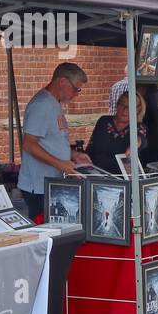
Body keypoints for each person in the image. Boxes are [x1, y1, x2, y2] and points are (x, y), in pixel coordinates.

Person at [18, 63, 93, 218]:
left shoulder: (54, 103)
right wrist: (60, 164)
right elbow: (29, 144)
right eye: (75, 89)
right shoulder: (41, 105)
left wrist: (72, 154)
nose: (77, 94)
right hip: (38, 186)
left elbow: (51, 140)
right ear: (62, 82)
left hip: (49, 182)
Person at [87, 91, 149, 174]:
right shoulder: (104, 121)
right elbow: (90, 148)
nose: (125, 110)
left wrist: (134, 145)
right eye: (122, 104)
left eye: (130, 106)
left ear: (138, 110)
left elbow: (141, 139)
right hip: (95, 174)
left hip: (121, 180)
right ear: (117, 105)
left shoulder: (138, 127)